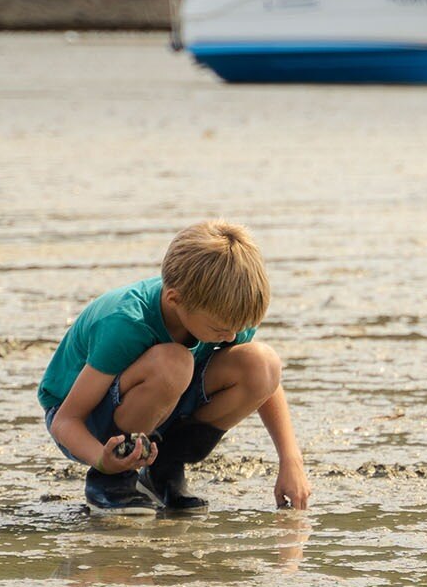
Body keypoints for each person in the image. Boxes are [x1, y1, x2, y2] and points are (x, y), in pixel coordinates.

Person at [37, 220, 314, 514]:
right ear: (174, 299)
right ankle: (112, 479)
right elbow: (65, 421)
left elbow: (267, 384)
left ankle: (163, 468)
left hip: (161, 402)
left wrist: (290, 460)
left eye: (238, 328)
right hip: (85, 421)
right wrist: (102, 459)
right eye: (222, 329)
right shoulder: (124, 322)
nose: (231, 337)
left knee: (263, 364)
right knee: (174, 363)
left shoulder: (224, 317)